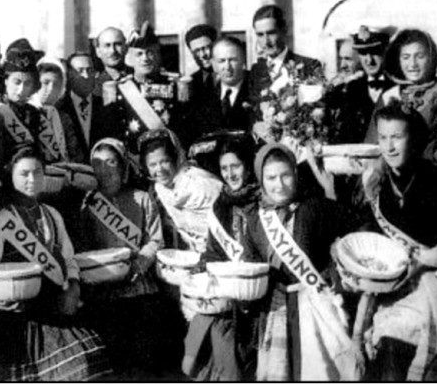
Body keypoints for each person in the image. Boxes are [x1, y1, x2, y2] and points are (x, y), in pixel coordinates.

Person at [0, 146, 114, 381]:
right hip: (19, 321)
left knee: (88, 363)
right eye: (24, 174)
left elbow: (69, 259)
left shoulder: (53, 214)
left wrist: (73, 286)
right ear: (10, 175)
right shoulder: (1, 221)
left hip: (55, 308)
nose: (32, 180)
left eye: (37, 172)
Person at [360, 100, 437, 381]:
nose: (389, 147)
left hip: (435, 282)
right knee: (382, 345)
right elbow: (371, 241)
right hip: (394, 285)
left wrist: (425, 259)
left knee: (396, 339)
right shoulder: (377, 185)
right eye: (383, 138)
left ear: (414, 140)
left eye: (397, 137)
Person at [239, 143, 361, 381]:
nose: (279, 184)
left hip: (314, 304)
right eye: (271, 178)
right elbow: (251, 262)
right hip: (275, 308)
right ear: (261, 180)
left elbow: (356, 227)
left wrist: (339, 263)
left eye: (285, 175)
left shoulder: (314, 208)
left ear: (295, 174)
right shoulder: (255, 220)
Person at [77, 138, 179, 376]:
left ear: (123, 166)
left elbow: (155, 240)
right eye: (98, 163)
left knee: (144, 360)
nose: (105, 170)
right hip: (104, 291)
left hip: (140, 287)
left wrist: (141, 262)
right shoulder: (88, 203)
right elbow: (82, 245)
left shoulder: (142, 198)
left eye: (111, 162)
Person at [183, 136, 261, 381]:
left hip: (257, 293)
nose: (230, 174)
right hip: (228, 295)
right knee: (213, 338)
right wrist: (200, 272)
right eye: (224, 168)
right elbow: (213, 251)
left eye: (235, 166)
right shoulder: (221, 204)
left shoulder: (263, 200)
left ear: (248, 166)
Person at [367, 29, 437, 175]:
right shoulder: (389, 96)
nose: (413, 64)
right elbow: (371, 147)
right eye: (406, 57)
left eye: (420, 56)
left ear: (431, 58)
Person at [139, 128, 222, 254]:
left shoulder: (198, 183)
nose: (159, 169)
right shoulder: (160, 189)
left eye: (164, 161)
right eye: (153, 165)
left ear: (175, 159)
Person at [115, 22, 183, 156]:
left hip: (168, 158)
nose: (145, 58)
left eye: (150, 53)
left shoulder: (175, 86)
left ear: (158, 55)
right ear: (130, 59)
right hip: (134, 158)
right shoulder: (121, 88)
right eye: (139, 54)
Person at [328, 25, 394, 145]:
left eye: (375, 52)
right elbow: (344, 136)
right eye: (363, 53)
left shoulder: (400, 88)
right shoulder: (350, 89)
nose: (369, 60)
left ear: (386, 52)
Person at [249, 4, 323, 102]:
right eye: (260, 34)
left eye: (271, 33)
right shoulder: (256, 71)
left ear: (284, 30)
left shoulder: (309, 66)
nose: (266, 41)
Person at [186, 37, 254, 140]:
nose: (227, 67)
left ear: (243, 60)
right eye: (221, 61)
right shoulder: (203, 96)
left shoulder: (256, 89)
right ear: (213, 64)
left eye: (233, 60)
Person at [0, 49, 42, 163]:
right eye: (17, 82)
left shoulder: (34, 112)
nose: (21, 89)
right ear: (6, 81)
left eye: (27, 83)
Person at [30, 56, 85, 164]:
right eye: (45, 83)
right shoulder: (24, 112)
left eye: (56, 85)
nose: (50, 89)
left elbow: (75, 152)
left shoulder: (64, 117)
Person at [92, 26, 131, 96]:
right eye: (107, 45)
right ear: (98, 52)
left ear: (126, 48)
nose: (112, 51)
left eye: (118, 44)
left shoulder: (138, 77)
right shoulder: (93, 87)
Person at [184, 24, 217, 102]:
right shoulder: (191, 83)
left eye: (206, 48)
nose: (202, 55)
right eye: (197, 51)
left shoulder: (237, 76)